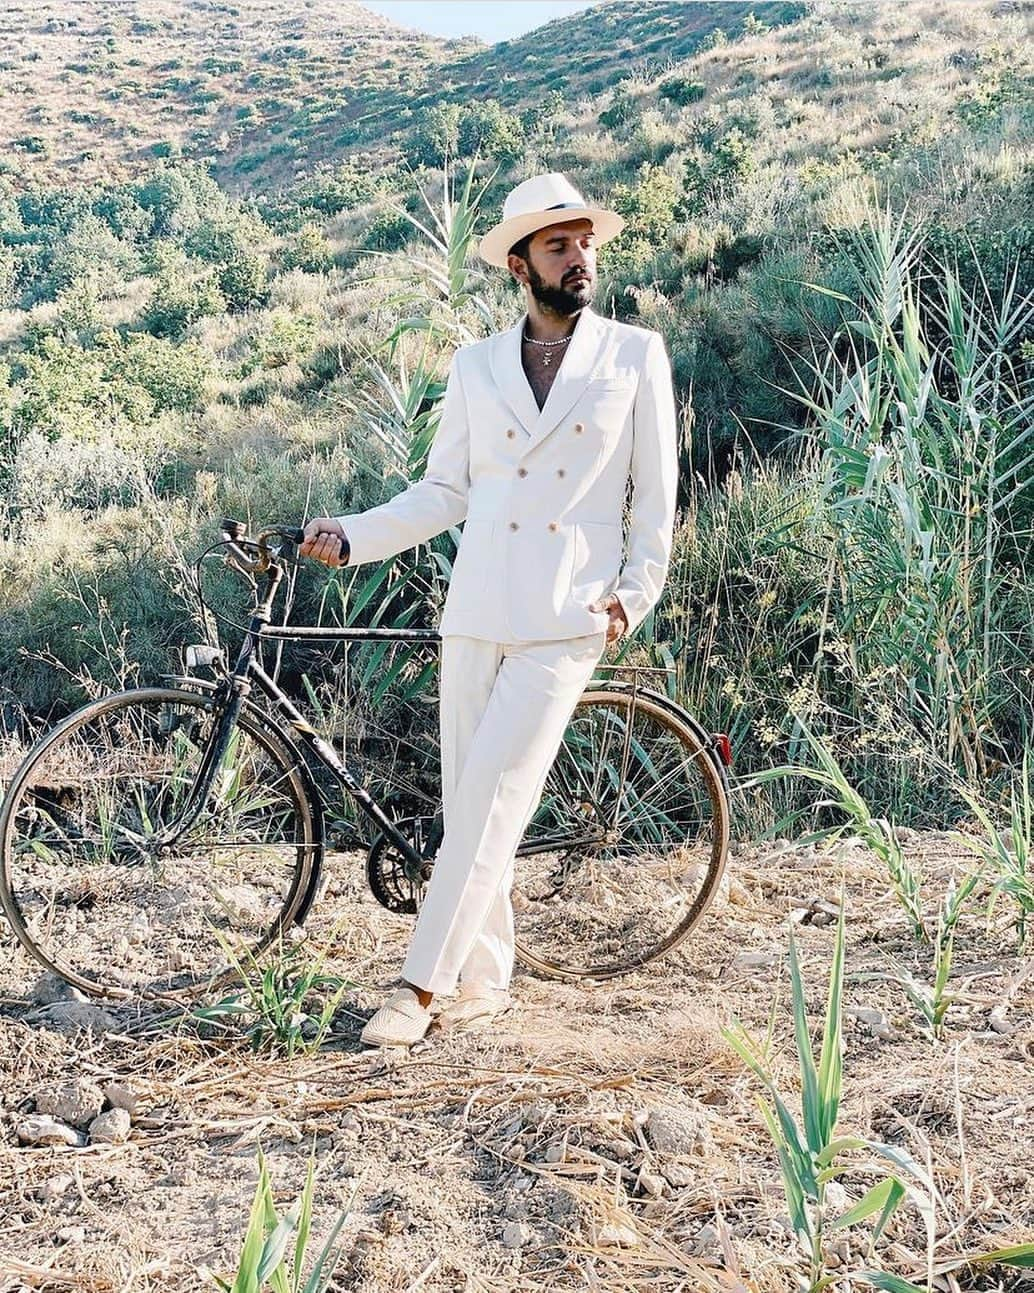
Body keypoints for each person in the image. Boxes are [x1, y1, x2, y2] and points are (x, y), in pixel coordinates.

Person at [301, 171, 678, 1047]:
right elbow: (442, 492)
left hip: (568, 613)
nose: (579, 256)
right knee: (476, 802)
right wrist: (351, 536)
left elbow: (656, 499)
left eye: (585, 240)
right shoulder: (476, 365)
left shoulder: (634, 354)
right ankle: (485, 978)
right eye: (558, 244)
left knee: (494, 798)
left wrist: (633, 594)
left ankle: (415, 988)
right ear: (520, 264)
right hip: (475, 611)